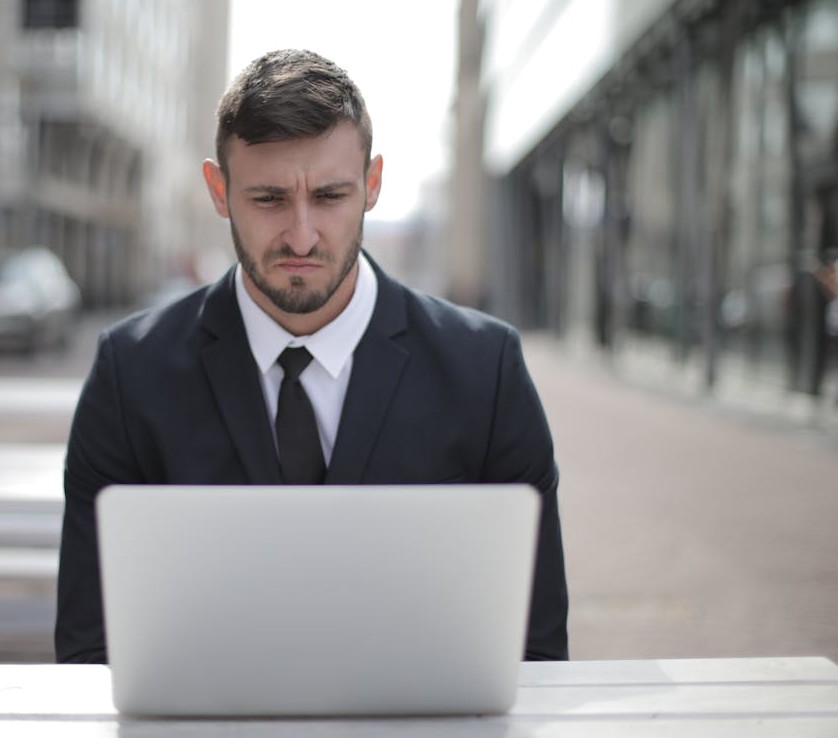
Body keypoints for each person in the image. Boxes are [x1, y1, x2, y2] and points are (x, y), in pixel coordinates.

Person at [56, 49, 568, 664]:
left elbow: (538, 654)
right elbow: (87, 652)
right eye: (269, 199)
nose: (301, 236)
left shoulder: (486, 372)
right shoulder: (129, 376)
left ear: (373, 185)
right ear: (219, 191)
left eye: (329, 196)